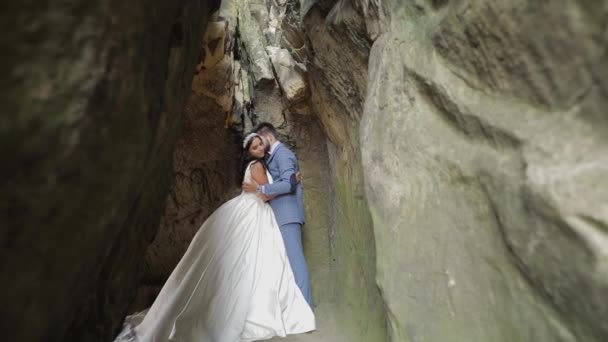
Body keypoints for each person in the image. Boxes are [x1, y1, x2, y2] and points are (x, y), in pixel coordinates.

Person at [114, 133, 315, 342]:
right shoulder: (257, 166)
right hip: (256, 211)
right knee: (256, 260)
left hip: (244, 207)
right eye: (254, 148)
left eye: (260, 145)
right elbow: (266, 194)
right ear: (249, 152)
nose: (260, 149)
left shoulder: (250, 166)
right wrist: (290, 182)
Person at [242, 123, 313, 308]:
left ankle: (305, 308)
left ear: (269, 138)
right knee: (289, 261)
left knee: (296, 260)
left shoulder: (282, 154)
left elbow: (288, 184)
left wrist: (260, 188)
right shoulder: (270, 158)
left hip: (287, 214)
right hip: (280, 214)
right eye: (255, 145)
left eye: (261, 141)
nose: (260, 146)